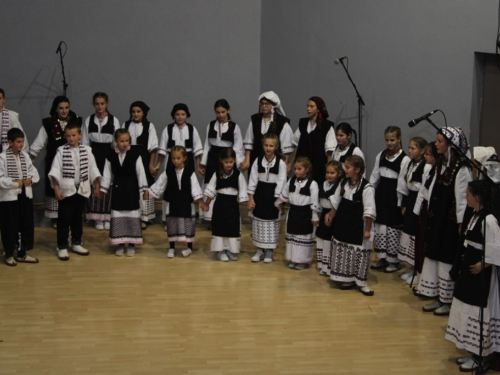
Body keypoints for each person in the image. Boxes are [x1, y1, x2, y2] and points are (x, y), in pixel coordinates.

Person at [445, 180, 500, 372]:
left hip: (480, 274)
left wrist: (482, 264)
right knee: (465, 306)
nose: (465, 197)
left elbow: (495, 249)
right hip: (470, 270)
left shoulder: (489, 220)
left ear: (477, 197)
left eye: (468, 194)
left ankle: (480, 355)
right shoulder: (475, 215)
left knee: (478, 311)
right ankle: (471, 351)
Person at [416, 127, 471, 316]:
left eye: (440, 141)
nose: (436, 144)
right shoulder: (441, 163)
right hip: (436, 217)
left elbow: (462, 199)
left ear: (450, 144)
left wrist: (460, 224)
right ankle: (437, 295)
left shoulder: (461, 167)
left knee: (446, 257)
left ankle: (447, 299)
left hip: (449, 222)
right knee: (434, 255)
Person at [48, 123, 101, 261]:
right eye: (68, 136)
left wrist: (96, 186)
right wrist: (56, 189)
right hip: (67, 190)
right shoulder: (61, 150)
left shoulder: (87, 150)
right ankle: (62, 246)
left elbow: (93, 169)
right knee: (64, 219)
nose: (71, 138)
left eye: (73, 135)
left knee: (78, 218)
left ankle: (77, 242)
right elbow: (55, 171)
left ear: (79, 135)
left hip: (82, 188)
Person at [325, 155, 376, 296]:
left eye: (347, 167)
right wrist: (330, 215)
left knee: (359, 253)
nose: (345, 170)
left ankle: (361, 282)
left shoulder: (367, 188)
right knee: (344, 251)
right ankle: (347, 278)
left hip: (358, 226)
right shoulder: (343, 183)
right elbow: (336, 202)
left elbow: (369, 210)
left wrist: (367, 230)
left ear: (357, 169)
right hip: (343, 223)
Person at [30, 96, 82, 225]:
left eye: (66, 108)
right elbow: (39, 142)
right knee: (55, 188)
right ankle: (56, 218)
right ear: (56, 109)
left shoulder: (76, 122)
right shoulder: (49, 124)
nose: (64, 111)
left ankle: (71, 217)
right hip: (54, 161)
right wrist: (32, 157)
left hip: (72, 162)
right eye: (61, 108)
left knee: (71, 188)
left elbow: (83, 141)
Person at [100, 129, 149, 257]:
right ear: (115, 141)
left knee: (132, 214)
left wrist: (144, 190)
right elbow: (107, 174)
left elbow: (141, 172)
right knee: (118, 214)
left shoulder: (135, 154)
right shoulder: (110, 155)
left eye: (127, 140)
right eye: (121, 141)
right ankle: (120, 244)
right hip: (118, 188)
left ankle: (131, 244)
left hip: (131, 188)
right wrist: (103, 189)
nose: (125, 143)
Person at [149, 146, 203, 258]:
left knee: (188, 225)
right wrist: (149, 192)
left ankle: (189, 247)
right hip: (173, 202)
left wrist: (201, 202)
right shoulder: (168, 172)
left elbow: (195, 188)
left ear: (184, 158)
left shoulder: (189, 172)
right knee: (172, 224)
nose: (175, 161)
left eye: (178, 158)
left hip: (186, 203)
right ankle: (172, 247)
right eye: (173, 158)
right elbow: (160, 184)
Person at [369, 126, 410, 273]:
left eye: (392, 140)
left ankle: (394, 261)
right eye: (387, 140)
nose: (389, 143)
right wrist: (369, 195)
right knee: (381, 227)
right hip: (381, 195)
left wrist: (401, 203)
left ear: (399, 139)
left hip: (394, 196)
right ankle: (382, 258)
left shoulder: (404, 159)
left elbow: (403, 183)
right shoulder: (381, 155)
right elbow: (374, 177)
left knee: (392, 228)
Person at [198, 99, 245, 224]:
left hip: (227, 158)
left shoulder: (234, 127)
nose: (220, 115)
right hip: (213, 157)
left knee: (224, 185)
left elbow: (238, 146)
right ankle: (210, 217)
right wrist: (203, 163)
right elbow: (207, 145)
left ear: (228, 110)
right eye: (218, 112)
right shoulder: (211, 124)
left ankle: (224, 216)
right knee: (210, 183)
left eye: (223, 112)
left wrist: (237, 162)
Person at [0, 128, 39, 266]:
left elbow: (34, 172)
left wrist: (31, 180)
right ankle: (9, 253)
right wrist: (14, 183)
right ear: (10, 142)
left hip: (25, 195)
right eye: (18, 142)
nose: (21, 145)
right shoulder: (2, 157)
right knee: (10, 225)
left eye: (22, 142)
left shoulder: (25, 156)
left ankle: (22, 252)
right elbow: (0, 179)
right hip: (10, 198)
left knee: (26, 223)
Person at [81, 92, 120, 230]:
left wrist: (116, 157)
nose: (99, 106)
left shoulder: (113, 120)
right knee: (94, 183)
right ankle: (96, 217)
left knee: (107, 183)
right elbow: (85, 142)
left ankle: (107, 216)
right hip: (93, 154)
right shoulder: (88, 120)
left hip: (108, 154)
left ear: (107, 104)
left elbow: (117, 142)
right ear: (94, 104)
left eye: (102, 103)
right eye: (97, 104)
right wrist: (86, 159)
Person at [202, 148, 248, 261]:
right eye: (226, 162)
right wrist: (206, 204)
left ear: (235, 161)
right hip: (220, 205)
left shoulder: (238, 175)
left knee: (232, 227)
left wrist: (247, 204)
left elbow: (242, 190)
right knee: (220, 227)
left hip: (232, 206)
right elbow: (211, 190)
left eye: (231, 162)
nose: (229, 164)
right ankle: (220, 250)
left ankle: (231, 250)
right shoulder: (217, 174)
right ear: (221, 160)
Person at [247, 133, 287, 263]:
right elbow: (252, 180)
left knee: (272, 225)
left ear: (276, 147)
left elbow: (282, 181)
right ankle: (259, 250)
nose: (268, 148)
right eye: (266, 145)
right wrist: (251, 198)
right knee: (258, 223)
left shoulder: (280, 163)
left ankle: (270, 252)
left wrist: (278, 200)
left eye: (271, 145)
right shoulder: (257, 161)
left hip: (273, 196)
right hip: (260, 194)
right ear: (262, 146)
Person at [276, 156, 320, 270]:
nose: (296, 171)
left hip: (305, 214)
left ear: (306, 169)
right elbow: (284, 194)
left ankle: (302, 260)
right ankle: (293, 258)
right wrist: (279, 203)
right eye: (295, 169)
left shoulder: (312, 184)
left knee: (303, 237)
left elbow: (315, 201)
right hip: (293, 212)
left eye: (299, 169)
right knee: (292, 236)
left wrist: (315, 216)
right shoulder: (291, 181)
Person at [122, 101, 159, 227]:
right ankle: (132, 214)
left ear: (143, 113)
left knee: (145, 184)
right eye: (133, 111)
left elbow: (153, 147)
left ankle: (145, 216)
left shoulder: (149, 126)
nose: (136, 114)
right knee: (131, 184)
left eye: (138, 111)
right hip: (129, 156)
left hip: (144, 157)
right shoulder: (126, 125)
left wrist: (151, 164)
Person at [397, 137, 429, 281]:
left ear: (422, 151)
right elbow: (404, 184)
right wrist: (404, 203)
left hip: (419, 200)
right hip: (411, 200)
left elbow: (422, 188)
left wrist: (417, 209)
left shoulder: (425, 166)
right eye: (409, 148)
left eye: (413, 148)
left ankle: (417, 269)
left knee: (416, 234)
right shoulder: (410, 163)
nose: (409, 151)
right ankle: (411, 266)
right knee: (408, 232)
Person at [241, 91, 294, 171]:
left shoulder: (282, 123)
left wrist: (285, 165)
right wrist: (247, 160)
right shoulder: (255, 120)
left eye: (267, 104)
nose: (264, 106)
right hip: (256, 160)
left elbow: (286, 149)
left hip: (275, 163)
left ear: (273, 105)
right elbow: (249, 141)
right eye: (262, 104)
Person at [290, 96, 336, 184]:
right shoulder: (303, 123)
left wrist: (328, 170)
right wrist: (291, 163)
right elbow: (296, 144)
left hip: (318, 165)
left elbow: (329, 152)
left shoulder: (326, 126)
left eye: (311, 106)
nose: (308, 109)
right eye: (307, 106)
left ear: (318, 109)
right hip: (302, 165)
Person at [411, 142, 438, 287]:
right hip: (424, 208)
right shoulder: (428, 168)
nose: (425, 157)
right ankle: (420, 276)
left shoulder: (437, 170)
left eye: (428, 154)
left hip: (430, 210)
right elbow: (423, 190)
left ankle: (426, 280)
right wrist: (417, 211)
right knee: (420, 244)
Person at [157, 103, 203, 173]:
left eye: (183, 114)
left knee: (187, 181)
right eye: (177, 114)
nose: (180, 117)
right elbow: (162, 150)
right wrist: (158, 165)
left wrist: (198, 166)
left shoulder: (191, 129)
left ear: (187, 115)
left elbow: (197, 150)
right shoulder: (168, 129)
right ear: (174, 115)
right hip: (172, 161)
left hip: (188, 160)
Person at [316, 160, 343, 276]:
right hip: (323, 213)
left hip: (332, 214)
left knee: (328, 240)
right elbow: (319, 200)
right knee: (321, 238)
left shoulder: (339, 186)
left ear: (339, 173)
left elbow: (337, 202)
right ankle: (322, 265)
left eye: (332, 173)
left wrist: (331, 215)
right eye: (327, 172)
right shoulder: (323, 184)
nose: (329, 175)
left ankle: (329, 267)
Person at [0, 88, 29, 153]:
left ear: (4, 99)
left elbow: (20, 137)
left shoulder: (11, 116)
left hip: (7, 152)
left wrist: (22, 156)